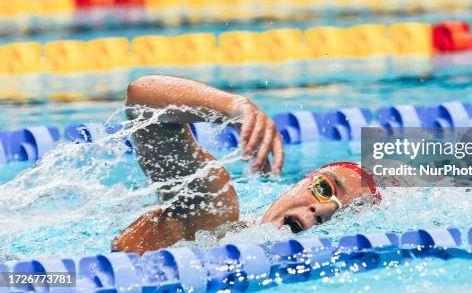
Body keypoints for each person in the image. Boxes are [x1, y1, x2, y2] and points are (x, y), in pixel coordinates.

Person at [112, 75, 379, 255]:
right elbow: (141, 96)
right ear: (298, 182)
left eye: (341, 214)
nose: (322, 209)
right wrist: (235, 106)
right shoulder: (213, 212)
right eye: (323, 188)